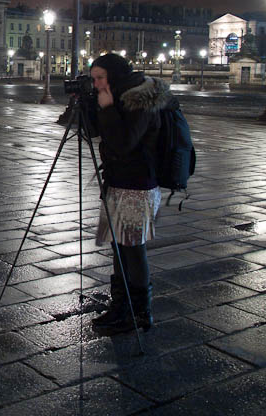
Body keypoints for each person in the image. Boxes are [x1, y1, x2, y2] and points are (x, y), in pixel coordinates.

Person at [88, 52, 174, 335]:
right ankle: (120, 306)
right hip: (119, 182)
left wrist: (108, 108)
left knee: (133, 250)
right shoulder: (119, 95)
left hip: (137, 186)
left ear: (114, 75)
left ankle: (139, 314)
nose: (97, 83)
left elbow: (124, 143)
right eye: (94, 79)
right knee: (119, 246)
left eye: (100, 78)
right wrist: (95, 108)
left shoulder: (139, 101)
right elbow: (98, 134)